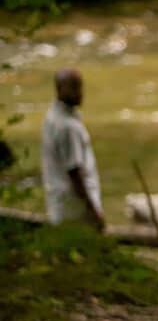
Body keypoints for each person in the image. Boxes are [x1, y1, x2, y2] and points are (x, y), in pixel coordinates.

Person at [40, 68, 105, 231]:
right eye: (74, 87)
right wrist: (93, 210)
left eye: (80, 87)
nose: (80, 93)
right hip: (75, 209)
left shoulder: (52, 117)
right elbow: (75, 172)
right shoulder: (68, 127)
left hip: (59, 203)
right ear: (60, 89)